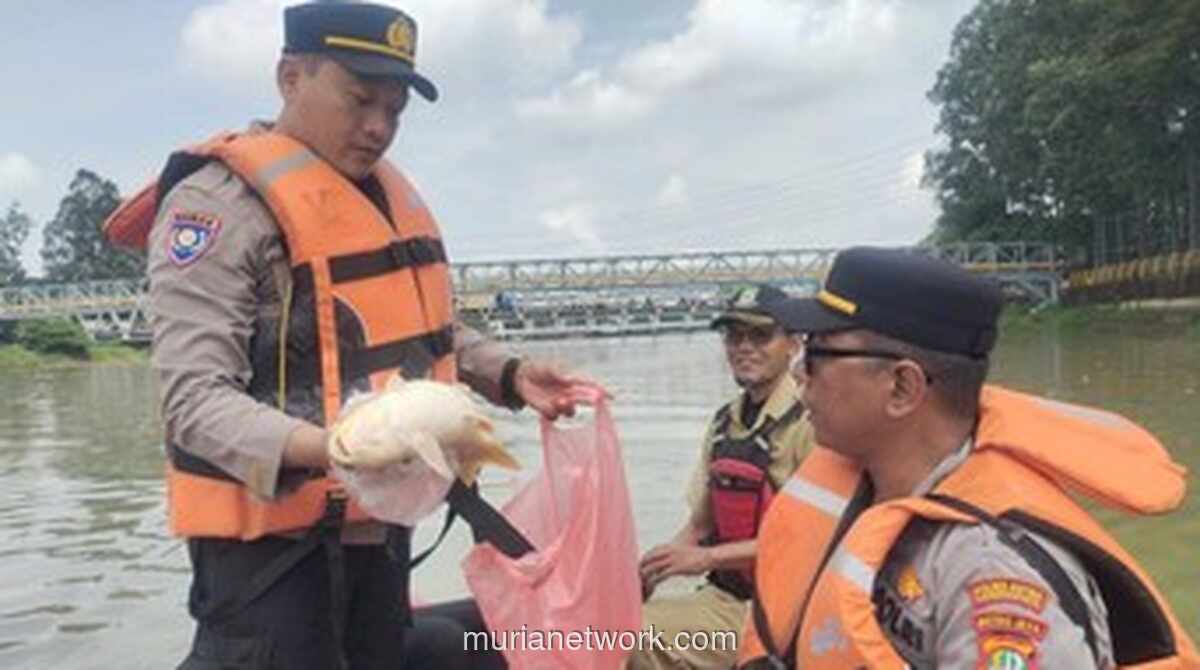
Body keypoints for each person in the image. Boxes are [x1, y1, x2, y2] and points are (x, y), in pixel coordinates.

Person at [106, 3, 592, 668]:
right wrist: (336, 448)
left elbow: (421, 329)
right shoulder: (215, 209)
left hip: (379, 537)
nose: (379, 128)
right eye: (361, 100)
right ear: (290, 77)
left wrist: (508, 373)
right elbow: (193, 402)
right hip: (269, 563)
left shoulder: (375, 197)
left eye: (395, 110)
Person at [737, 247, 1199, 669]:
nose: (798, 373)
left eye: (818, 354)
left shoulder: (993, 574)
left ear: (902, 388)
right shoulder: (863, 482)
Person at [628, 285, 815, 669]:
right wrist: (655, 567)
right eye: (734, 336)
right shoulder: (723, 423)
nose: (744, 347)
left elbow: (813, 540)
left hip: (780, 608)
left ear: (793, 345)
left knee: (621, 638)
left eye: (760, 335)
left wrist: (705, 558)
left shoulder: (812, 422)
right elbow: (699, 525)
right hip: (725, 595)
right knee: (609, 620)